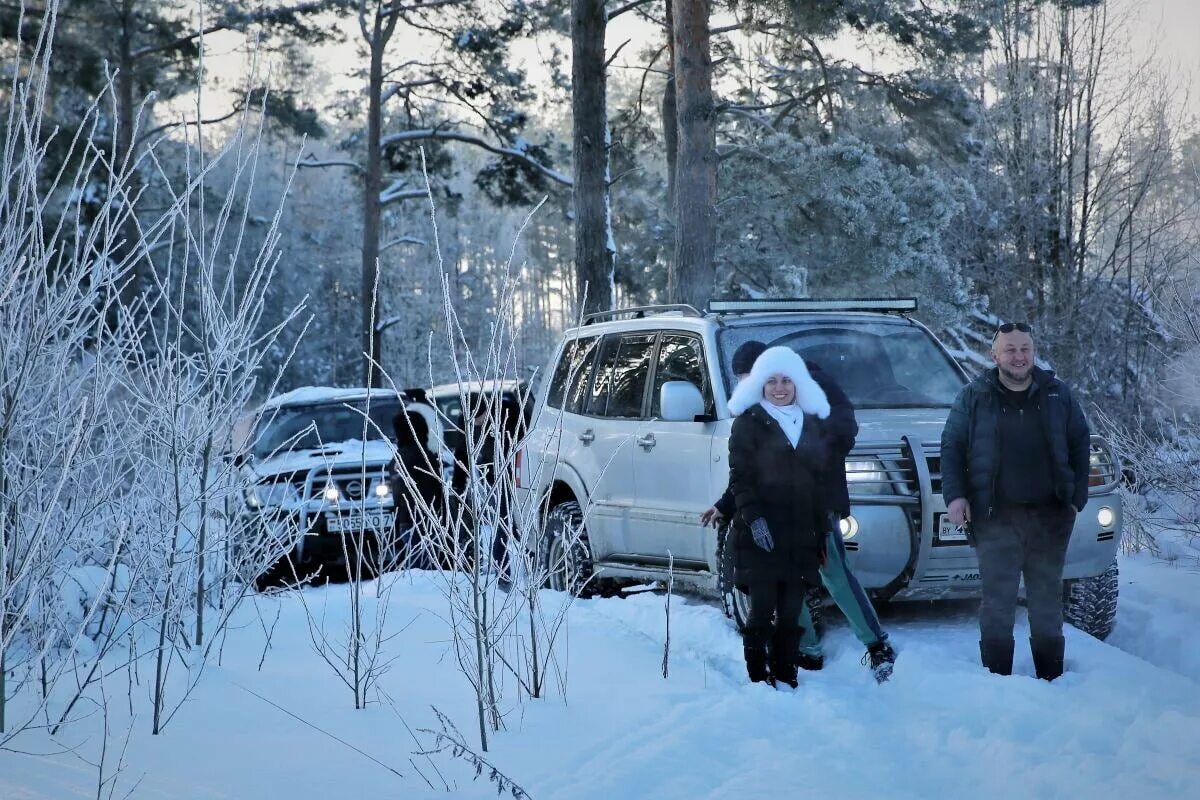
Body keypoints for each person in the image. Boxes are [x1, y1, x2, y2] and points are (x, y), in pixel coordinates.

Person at [703, 340, 897, 682]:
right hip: (780, 512)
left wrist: (816, 452)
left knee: (834, 572)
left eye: (753, 375)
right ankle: (806, 648)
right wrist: (726, 504)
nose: (757, 385)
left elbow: (843, 431)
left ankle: (876, 644)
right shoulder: (756, 414)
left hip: (817, 504)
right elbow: (750, 471)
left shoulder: (811, 385)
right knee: (790, 576)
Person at [940, 322, 1091, 681]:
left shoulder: (1057, 395)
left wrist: (1076, 499)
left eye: (1025, 348)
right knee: (998, 601)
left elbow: (1081, 443)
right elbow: (952, 446)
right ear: (995, 355)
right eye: (1010, 349)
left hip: (1050, 516)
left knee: (1046, 602)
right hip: (994, 516)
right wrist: (956, 496)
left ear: (1033, 352)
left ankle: (1052, 677)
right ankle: (997, 681)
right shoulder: (973, 396)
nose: (1019, 356)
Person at [726, 345, 835, 687]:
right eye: (771, 380)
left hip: (800, 538)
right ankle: (759, 678)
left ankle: (787, 675)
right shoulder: (748, 423)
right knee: (760, 612)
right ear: (759, 384)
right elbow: (740, 481)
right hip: (761, 537)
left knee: (791, 614)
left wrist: (821, 538)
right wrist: (755, 520)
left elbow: (819, 485)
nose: (779, 387)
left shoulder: (811, 424)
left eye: (787, 380)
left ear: (798, 383)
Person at [451, 394, 523, 583]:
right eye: (471, 420)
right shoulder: (465, 420)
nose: (475, 423)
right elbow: (461, 453)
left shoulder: (508, 415)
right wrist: (458, 485)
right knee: (502, 524)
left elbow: (522, 445)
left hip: (517, 475)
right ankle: (503, 576)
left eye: (479, 419)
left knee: (513, 524)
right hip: (491, 476)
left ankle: (526, 564)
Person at [390, 409, 444, 568]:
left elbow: (398, 495)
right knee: (426, 571)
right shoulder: (424, 456)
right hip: (425, 521)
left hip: (407, 520)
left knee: (416, 568)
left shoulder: (398, 458)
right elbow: (433, 492)